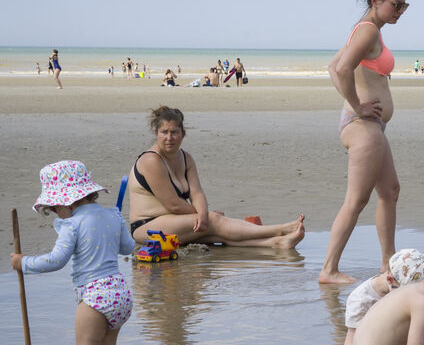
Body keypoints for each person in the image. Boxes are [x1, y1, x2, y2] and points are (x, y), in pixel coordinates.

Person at [12, 161, 136, 345]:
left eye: (54, 208)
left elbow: (56, 260)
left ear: (67, 203)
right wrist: (117, 226)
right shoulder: (113, 216)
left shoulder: (72, 224)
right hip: (120, 293)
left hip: (94, 296)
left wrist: (23, 263)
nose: (55, 213)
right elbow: (128, 248)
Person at [320, 0, 409, 284]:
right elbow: (342, 69)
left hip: (372, 126)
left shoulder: (368, 29)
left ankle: (388, 264)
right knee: (357, 200)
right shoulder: (368, 30)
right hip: (363, 125)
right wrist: (357, 106)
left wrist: (357, 104)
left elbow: (333, 66)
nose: (400, 11)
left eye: (404, 6)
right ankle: (328, 270)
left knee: (390, 191)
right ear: (376, 1)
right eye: (396, 5)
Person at [128, 105, 305, 249]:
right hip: (147, 227)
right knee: (214, 221)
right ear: (156, 134)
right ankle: (280, 230)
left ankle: (277, 243)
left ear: (183, 134)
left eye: (174, 132)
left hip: (176, 221)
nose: (169, 137)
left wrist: (203, 213)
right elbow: (172, 204)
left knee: (217, 234)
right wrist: (205, 215)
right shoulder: (151, 160)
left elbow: (197, 193)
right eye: (164, 132)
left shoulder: (186, 158)